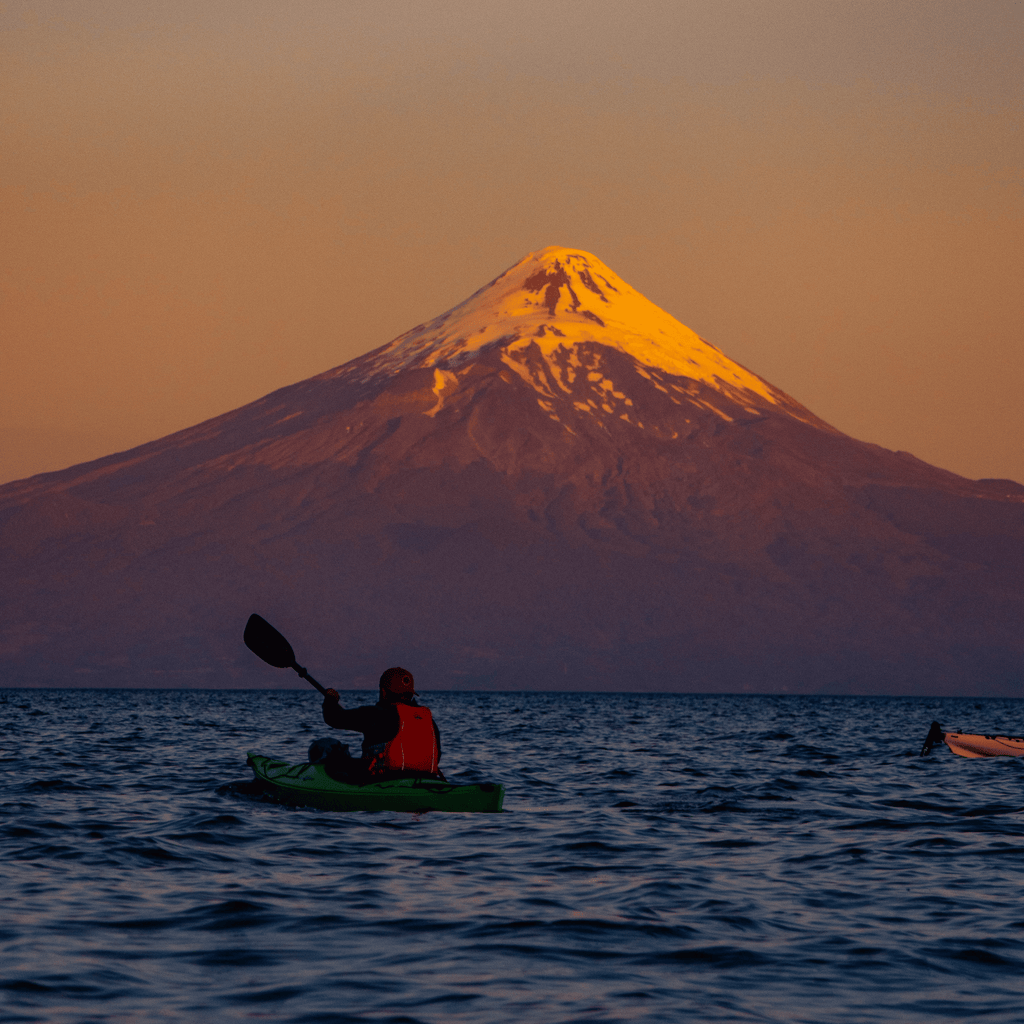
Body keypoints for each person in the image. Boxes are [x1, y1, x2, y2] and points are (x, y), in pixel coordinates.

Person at [316, 667, 443, 783]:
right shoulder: (428, 720)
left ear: (384, 692)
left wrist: (330, 700)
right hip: (426, 779)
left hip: (382, 780)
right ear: (411, 694)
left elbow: (333, 718)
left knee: (330, 753)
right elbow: (437, 756)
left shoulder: (375, 714)